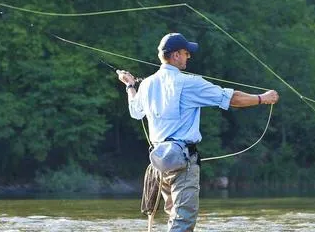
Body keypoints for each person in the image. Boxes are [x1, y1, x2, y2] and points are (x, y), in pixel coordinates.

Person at [117, 32, 279, 231]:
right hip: (182, 161)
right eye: (186, 53)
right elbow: (232, 98)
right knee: (183, 222)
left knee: (174, 216)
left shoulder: (147, 84)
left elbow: (135, 111)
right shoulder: (189, 83)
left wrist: (130, 86)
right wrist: (263, 98)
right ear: (176, 55)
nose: (189, 56)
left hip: (161, 163)